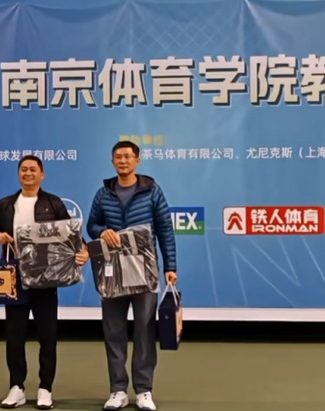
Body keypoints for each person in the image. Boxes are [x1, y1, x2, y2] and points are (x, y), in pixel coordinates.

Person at [0, 155, 89, 410]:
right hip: (14, 279)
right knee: (14, 336)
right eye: (23, 169)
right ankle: (16, 387)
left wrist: (84, 251)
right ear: (18, 174)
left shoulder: (53, 203)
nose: (28, 173)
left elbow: (71, 234)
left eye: (33, 169)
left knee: (47, 335)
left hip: (46, 278)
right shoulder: (6, 204)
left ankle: (45, 388)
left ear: (42, 174)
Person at [86, 141, 178, 411]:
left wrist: (170, 266)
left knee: (144, 331)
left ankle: (144, 390)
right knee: (113, 331)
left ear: (137, 160)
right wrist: (102, 231)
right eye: (118, 157)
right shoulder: (104, 193)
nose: (123, 161)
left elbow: (165, 229)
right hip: (112, 271)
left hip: (145, 272)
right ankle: (117, 390)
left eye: (127, 156)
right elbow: (91, 225)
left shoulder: (152, 191)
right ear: (112, 161)